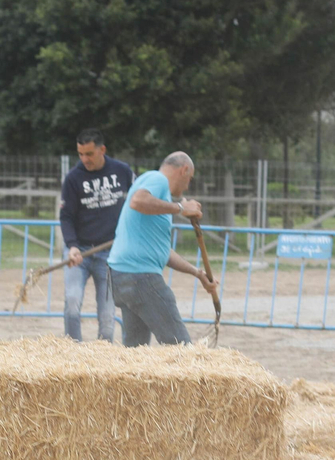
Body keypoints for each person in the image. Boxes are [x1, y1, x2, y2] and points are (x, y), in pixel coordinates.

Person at [107, 151, 219, 346]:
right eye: (189, 179)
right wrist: (182, 208)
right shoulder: (157, 179)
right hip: (140, 277)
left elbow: (163, 251)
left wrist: (197, 273)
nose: (187, 186)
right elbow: (138, 201)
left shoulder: (158, 195)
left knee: (135, 352)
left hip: (122, 277)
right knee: (180, 347)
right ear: (184, 170)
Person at [57, 129, 134, 341]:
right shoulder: (73, 178)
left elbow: (136, 202)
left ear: (102, 150)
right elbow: (66, 217)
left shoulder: (122, 171)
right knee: (72, 303)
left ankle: (103, 358)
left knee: (108, 315)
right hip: (79, 251)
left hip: (110, 253)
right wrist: (72, 245)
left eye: (89, 154)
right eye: (80, 154)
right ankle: (73, 352)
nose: (84, 159)